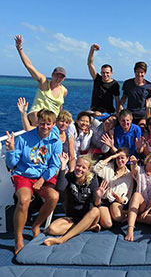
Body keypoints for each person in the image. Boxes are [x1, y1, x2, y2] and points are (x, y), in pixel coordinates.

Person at [4, 109, 63, 253]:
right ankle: (18, 238)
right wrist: (11, 150)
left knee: (54, 197)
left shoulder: (55, 142)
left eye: (49, 124)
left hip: (43, 176)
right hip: (24, 175)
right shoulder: (24, 138)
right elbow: (12, 164)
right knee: (24, 199)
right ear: (38, 123)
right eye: (42, 123)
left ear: (53, 124)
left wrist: (42, 180)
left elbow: (55, 165)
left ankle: (36, 225)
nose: (45, 127)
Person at [42, 156, 105, 246]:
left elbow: (96, 204)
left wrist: (99, 197)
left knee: (96, 210)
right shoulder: (70, 176)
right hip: (73, 217)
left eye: (84, 167)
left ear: (88, 170)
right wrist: (63, 166)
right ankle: (85, 227)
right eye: (78, 166)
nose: (80, 169)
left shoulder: (92, 180)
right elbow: (60, 188)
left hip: (89, 216)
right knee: (52, 229)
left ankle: (63, 239)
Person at [14, 35, 70, 124]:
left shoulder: (64, 91)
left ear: (64, 79)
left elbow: (60, 107)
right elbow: (29, 65)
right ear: (52, 75)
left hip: (51, 121)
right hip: (37, 118)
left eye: (61, 76)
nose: (58, 78)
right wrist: (20, 49)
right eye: (57, 75)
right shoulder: (43, 82)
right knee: (36, 115)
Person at [124, 151, 151, 241]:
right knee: (136, 195)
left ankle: (133, 217)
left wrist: (147, 210)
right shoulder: (140, 169)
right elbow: (134, 169)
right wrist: (134, 163)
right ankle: (130, 229)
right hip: (142, 203)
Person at [93, 150, 134, 230]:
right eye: (117, 158)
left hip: (116, 201)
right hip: (104, 200)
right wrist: (111, 157)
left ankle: (121, 214)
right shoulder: (108, 168)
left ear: (127, 159)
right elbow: (95, 168)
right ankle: (103, 216)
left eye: (122, 158)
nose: (120, 160)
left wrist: (122, 200)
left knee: (118, 217)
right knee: (108, 224)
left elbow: (128, 195)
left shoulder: (129, 175)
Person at [87, 43, 121, 114]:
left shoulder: (115, 84)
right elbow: (90, 64)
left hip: (107, 113)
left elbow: (117, 101)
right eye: (103, 73)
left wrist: (117, 114)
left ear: (111, 73)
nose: (105, 75)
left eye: (107, 73)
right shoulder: (97, 79)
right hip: (94, 111)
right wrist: (92, 49)